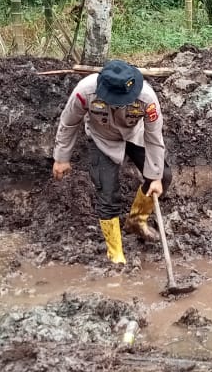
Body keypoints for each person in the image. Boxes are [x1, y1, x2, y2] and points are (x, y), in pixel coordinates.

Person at [52, 60, 172, 265]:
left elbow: (154, 137)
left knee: (164, 176)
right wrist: (62, 158)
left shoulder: (147, 99)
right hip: (102, 139)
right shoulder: (84, 92)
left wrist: (154, 177)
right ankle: (115, 255)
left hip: (135, 135)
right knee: (107, 195)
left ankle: (136, 220)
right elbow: (68, 122)